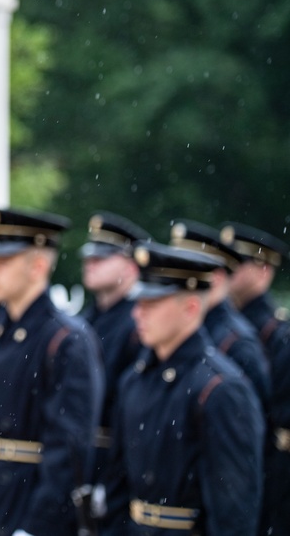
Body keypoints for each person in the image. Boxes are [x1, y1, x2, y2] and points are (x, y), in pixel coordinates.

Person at [0, 208, 104, 536]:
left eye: (3, 261)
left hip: (29, 502)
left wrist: (37, 526)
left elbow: (69, 450)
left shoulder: (66, 340)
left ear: (38, 266)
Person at [103, 242, 264, 535]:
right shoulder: (134, 379)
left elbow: (233, 511)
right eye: (138, 303)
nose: (138, 315)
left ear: (190, 308)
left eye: (151, 305)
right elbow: (117, 485)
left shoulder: (220, 389)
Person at [77, 211, 152, 499]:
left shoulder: (139, 326)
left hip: (117, 462)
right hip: (84, 457)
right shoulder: (87, 319)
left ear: (132, 266)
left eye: (102, 258)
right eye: (89, 257)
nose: (90, 264)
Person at [223, 221, 290, 536]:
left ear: (264, 270)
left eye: (240, 261)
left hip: (271, 469)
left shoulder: (277, 334)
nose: (229, 268)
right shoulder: (224, 324)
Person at [169, 219, 271, 409]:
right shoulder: (175, 325)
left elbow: (252, 421)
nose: (173, 282)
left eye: (185, 273)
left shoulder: (237, 342)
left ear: (215, 278)